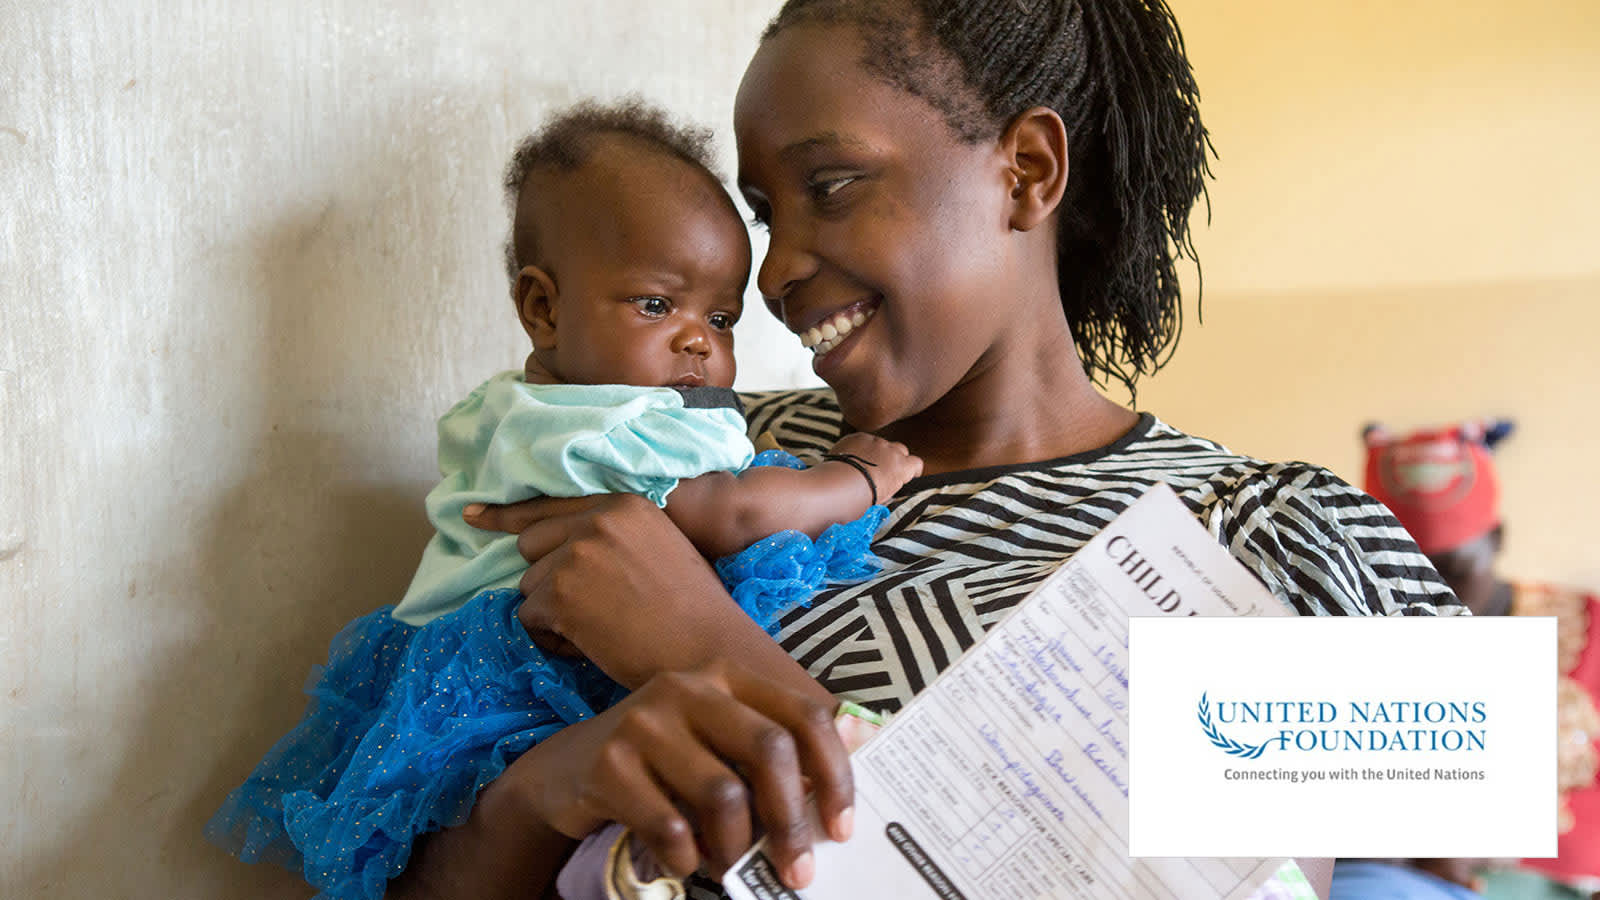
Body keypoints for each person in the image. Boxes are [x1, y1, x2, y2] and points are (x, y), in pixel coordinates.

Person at [373, 2, 1465, 898]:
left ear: (1027, 171)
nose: (775, 272)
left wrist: (710, 652)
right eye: (762, 215)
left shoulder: (1264, 535)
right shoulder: (672, 439)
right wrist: (540, 793)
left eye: (833, 186)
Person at [205, 98, 923, 900]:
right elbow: (735, 514)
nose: (697, 340)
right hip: (514, 667)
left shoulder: (516, 411)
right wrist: (857, 479)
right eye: (657, 304)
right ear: (543, 309)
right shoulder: (612, 423)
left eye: (720, 317)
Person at [1351, 421, 1600, 900]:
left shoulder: (1587, 631)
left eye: (1453, 572)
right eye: (1397, 571)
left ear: (1498, 540)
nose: (1425, 592)